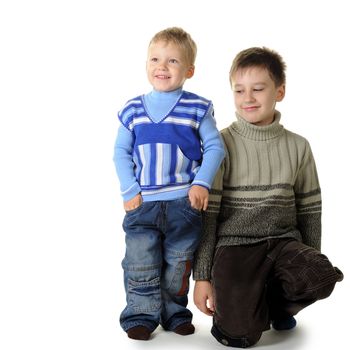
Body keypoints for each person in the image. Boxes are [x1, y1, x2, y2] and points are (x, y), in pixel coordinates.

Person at [193, 47, 343, 348]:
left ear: (280, 91)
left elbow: (310, 210)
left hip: (284, 243)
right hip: (235, 246)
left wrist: (309, 260)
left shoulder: (299, 146)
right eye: (239, 90)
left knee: (321, 275)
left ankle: (275, 306)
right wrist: (203, 276)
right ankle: (249, 305)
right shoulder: (221, 144)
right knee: (239, 336)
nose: (247, 98)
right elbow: (208, 216)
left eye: (258, 89)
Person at [113, 27, 225, 341]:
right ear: (146, 64)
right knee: (140, 261)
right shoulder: (132, 110)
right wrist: (130, 189)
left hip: (183, 204)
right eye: (155, 59)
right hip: (143, 204)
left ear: (189, 70)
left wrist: (201, 183)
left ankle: (174, 313)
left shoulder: (197, 107)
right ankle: (140, 315)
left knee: (178, 264)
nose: (162, 67)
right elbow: (120, 151)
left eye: (173, 61)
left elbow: (215, 147)